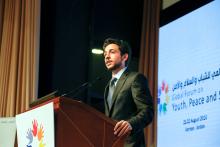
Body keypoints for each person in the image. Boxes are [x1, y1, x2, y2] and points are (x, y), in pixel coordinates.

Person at [103, 38, 154, 147]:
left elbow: (147, 111)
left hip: (131, 144)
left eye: (112, 52)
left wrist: (130, 124)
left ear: (124, 57)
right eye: (105, 54)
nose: (107, 56)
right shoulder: (108, 87)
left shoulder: (135, 78)